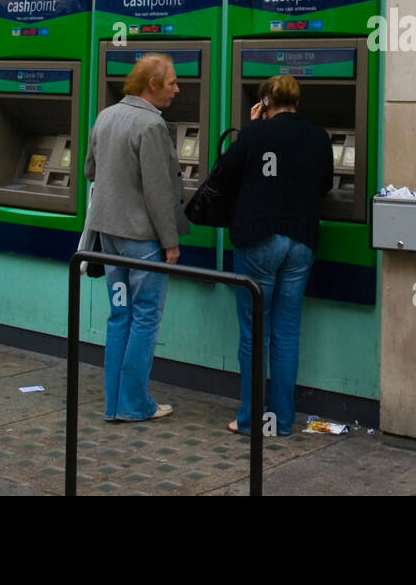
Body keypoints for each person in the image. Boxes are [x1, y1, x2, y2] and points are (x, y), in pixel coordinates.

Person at [214, 74, 333, 435]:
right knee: (286, 332)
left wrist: (252, 129)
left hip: (259, 240)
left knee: (254, 334)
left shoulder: (254, 133)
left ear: (264, 102)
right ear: (297, 102)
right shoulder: (318, 137)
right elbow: (326, 184)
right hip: (300, 241)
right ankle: (280, 421)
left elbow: (223, 175)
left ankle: (251, 419)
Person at [84, 53, 187, 422]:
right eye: (172, 81)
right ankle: (134, 404)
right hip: (143, 240)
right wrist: (170, 242)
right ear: (152, 84)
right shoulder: (152, 126)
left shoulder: (106, 115)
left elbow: (89, 170)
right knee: (145, 318)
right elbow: (159, 193)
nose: (177, 88)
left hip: (108, 236)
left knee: (119, 316)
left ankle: (114, 404)